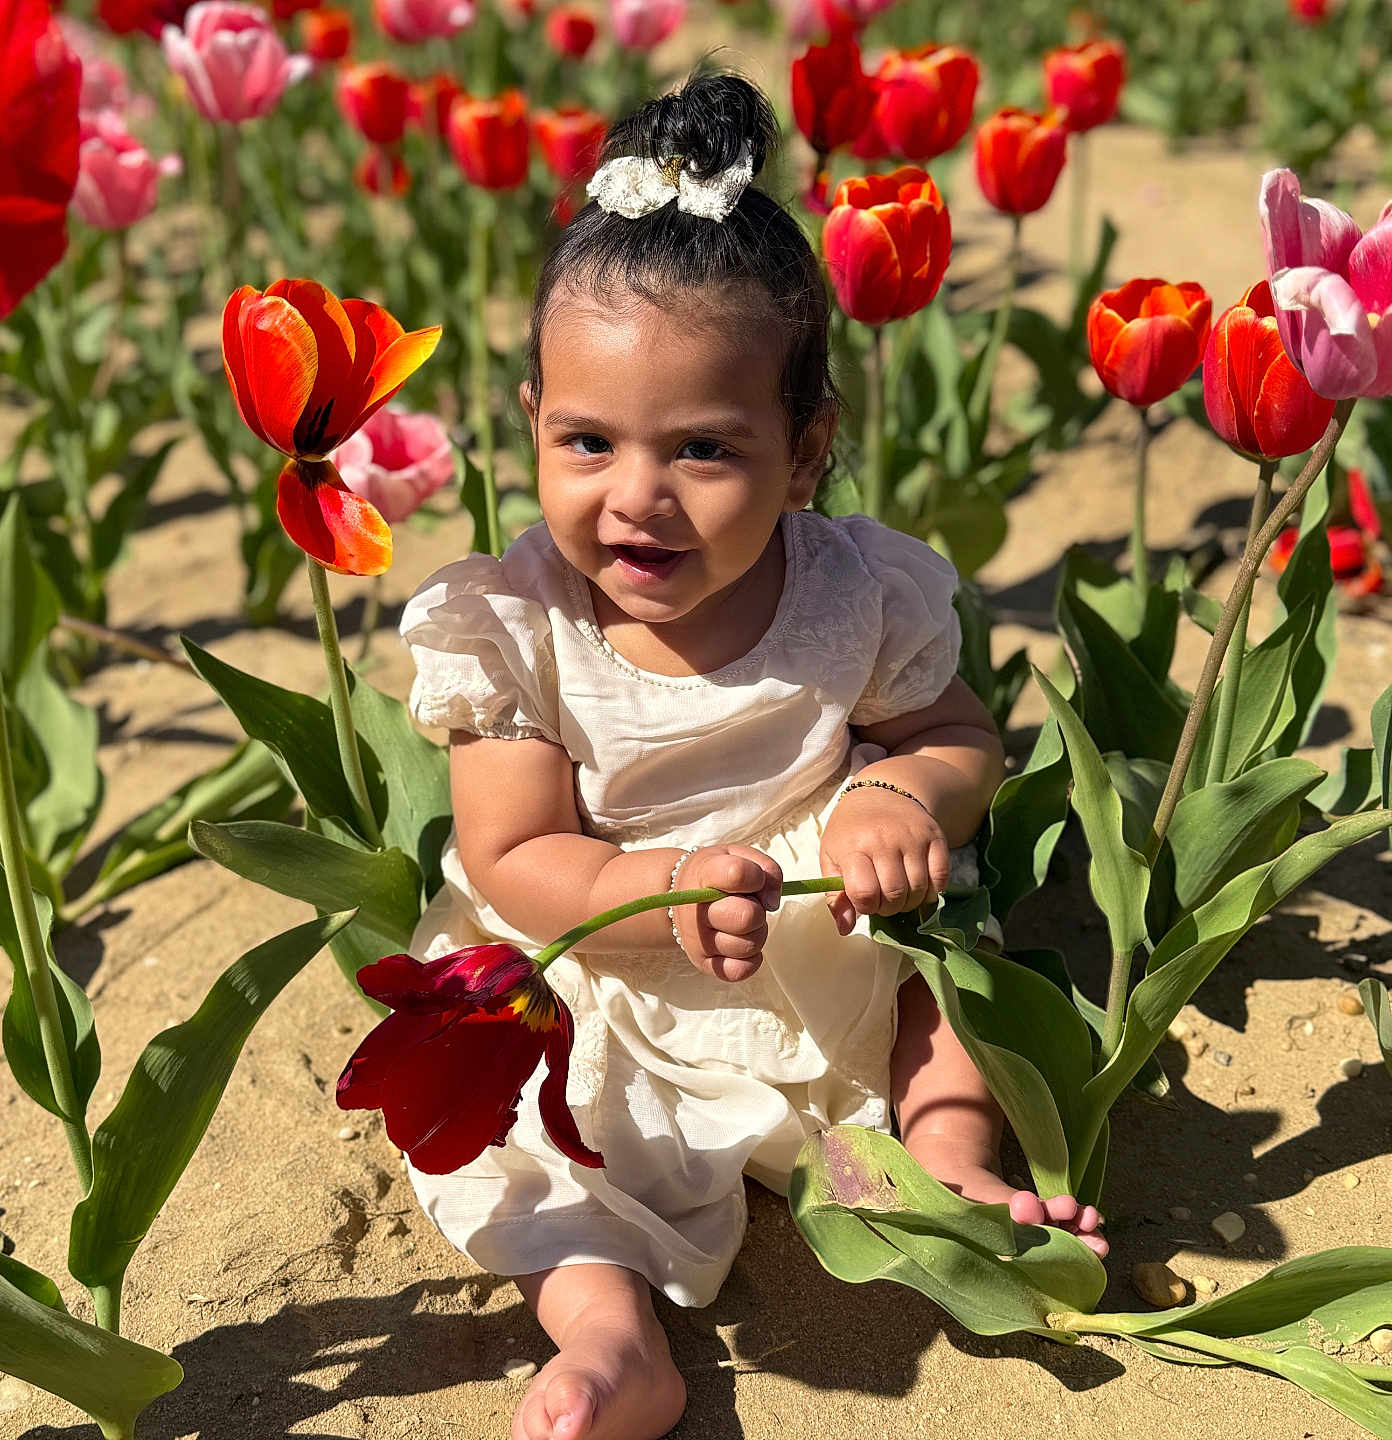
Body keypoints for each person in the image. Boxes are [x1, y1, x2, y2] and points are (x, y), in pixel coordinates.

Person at [399, 71, 1105, 1440]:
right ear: (533, 416)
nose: (636, 497)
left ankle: (944, 1167)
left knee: (954, 990)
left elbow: (959, 735)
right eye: (586, 441)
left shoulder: (860, 596)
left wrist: (901, 794)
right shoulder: (514, 630)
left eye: (705, 449)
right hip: (610, 962)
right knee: (517, 1143)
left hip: (827, 933)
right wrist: (649, 884)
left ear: (805, 451)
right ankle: (615, 1340)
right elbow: (511, 854)